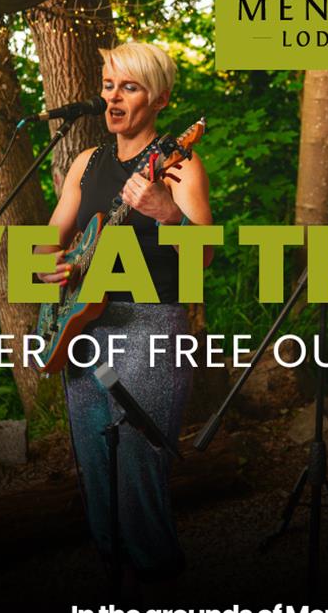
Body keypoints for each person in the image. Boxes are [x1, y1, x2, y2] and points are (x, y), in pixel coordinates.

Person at [36, 42, 213, 597]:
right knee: (95, 471)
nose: (113, 96)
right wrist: (49, 266)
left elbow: (204, 255)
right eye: (110, 84)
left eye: (129, 87)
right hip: (82, 329)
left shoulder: (179, 164)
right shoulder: (86, 164)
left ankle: (159, 585)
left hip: (150, 324)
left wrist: (166, 213)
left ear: (159, 99)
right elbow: (47, 241)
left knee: (138, 469)